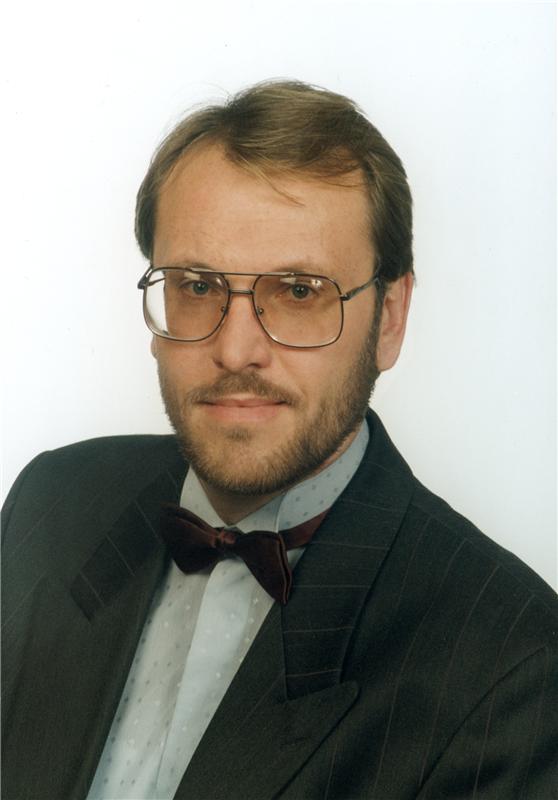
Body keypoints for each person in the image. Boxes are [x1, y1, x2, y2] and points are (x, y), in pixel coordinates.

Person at [2, 79, 557, 800]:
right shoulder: (50, 502)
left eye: (299, 292)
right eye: (196, 285)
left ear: (389, 318)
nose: (236, 351)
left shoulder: (510, 663)